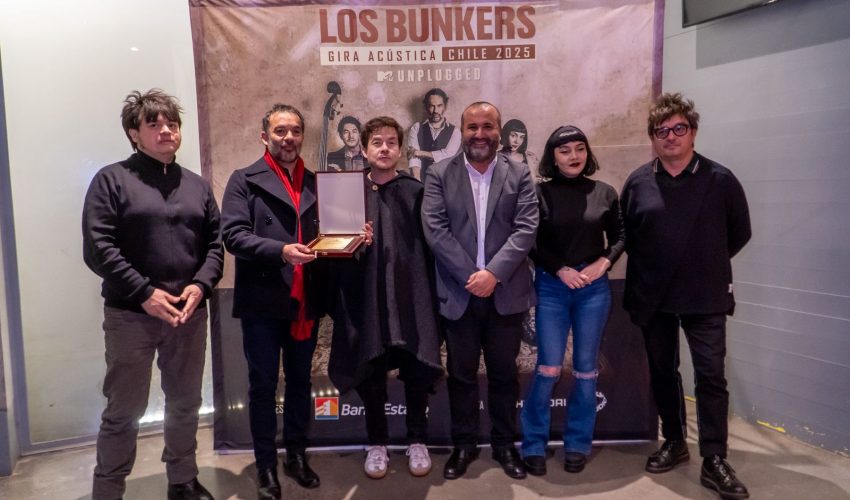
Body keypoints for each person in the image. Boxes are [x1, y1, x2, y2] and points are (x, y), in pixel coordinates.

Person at [83, 89, 223, 500]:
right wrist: (144, 293)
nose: (166, 130)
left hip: (187, 314)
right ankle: (108, 491)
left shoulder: (197, 185)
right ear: (134, 133)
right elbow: (98, 248)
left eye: (172, 124)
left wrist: (200, 285)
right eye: (154, 124)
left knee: (185, 403)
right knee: (124, 411)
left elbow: (215, 245)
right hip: (131, 315)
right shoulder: (111, 180)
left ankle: (182, 480)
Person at [620, 93, 752, 499]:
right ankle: (675, 441)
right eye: (662, 131)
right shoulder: (638, 183)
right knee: (663, 372)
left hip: (705, 296)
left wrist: (703, 262)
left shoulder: (721, 180)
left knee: (711, 375)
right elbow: (628, 235)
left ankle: (714, 458)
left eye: (679, 128)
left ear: (693, 132)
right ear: (653, 138)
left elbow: (740, 232)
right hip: (653, 296)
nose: (671, 136)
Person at [422, 101, 538, 480]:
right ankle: (464, 445)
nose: (480, 134)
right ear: (462, 131)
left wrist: (493, 274)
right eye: (472, 127)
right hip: (459, 293)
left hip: (506, 293)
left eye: (488, 126)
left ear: (499, 131)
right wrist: (473, 276)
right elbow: (435, 230)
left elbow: (526, 229)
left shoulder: (519, 173)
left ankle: (504, 445)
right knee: (461, 375)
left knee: (505, 374)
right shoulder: (439, 174)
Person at [326, 116, 443, 480]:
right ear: (363, 149)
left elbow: (433, 246)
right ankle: (376, 443)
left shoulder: (417, 191)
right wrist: (353, 242)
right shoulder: (346, 192)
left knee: (416, 366)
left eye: (392, 142)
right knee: (371, 368)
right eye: (377, 142)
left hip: (411, 294)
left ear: (401, 149)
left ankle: (417, 439)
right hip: (365, 295)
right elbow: (331, 250)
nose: (385, 148)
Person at [220, 104, 326, 499]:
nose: (289, 138)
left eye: (295, 131)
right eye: (280, 131)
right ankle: (266, 465)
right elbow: (233, 235)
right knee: (263, 386)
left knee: (300, 382)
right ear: (265, 137)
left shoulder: (317, 182)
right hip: (263, 300)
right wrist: (281, 250)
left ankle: (296, 456)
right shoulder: (244, 180)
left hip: (305, 300)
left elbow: (332, 234)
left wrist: (354, 235)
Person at [519, 125, 625, 476]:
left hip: (593, 290)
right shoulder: (538, 193)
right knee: (548, 368)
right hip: (552, 286)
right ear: (553, 157)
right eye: (565, 150)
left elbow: (621, 236)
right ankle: (533, 443)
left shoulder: (605, 192)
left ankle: (578, 443)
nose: (574, 156)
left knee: (585, 370)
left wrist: (604, 263)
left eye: (580, 148)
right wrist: (559, 269)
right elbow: (530, 241)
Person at [406, 88, 461, 181]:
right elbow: (413, 158)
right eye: (432, 106)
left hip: (446, 181)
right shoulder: (416, 128)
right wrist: (417, 182)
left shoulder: (455, 131)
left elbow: (448, 154)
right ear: (426, 107)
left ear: (445, 106)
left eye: (439, 106)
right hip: (421, 180)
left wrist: (420, 153)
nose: (435, 111)